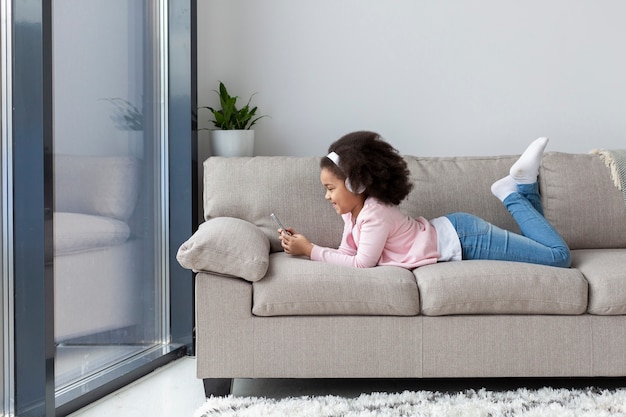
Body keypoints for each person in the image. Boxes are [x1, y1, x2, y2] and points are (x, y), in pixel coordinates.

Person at [278, 131, 572, 269]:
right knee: (540, 249)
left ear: (356, 184)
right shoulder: (353, 214)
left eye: (330, 188)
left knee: (559, 257)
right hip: (459, 233)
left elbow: (361, 264)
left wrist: (311, 250)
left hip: (466, 237)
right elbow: (348, 252)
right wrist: (304, 244)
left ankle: (510, 194)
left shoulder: (375, 213)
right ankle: (525, 186)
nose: (326, 196)